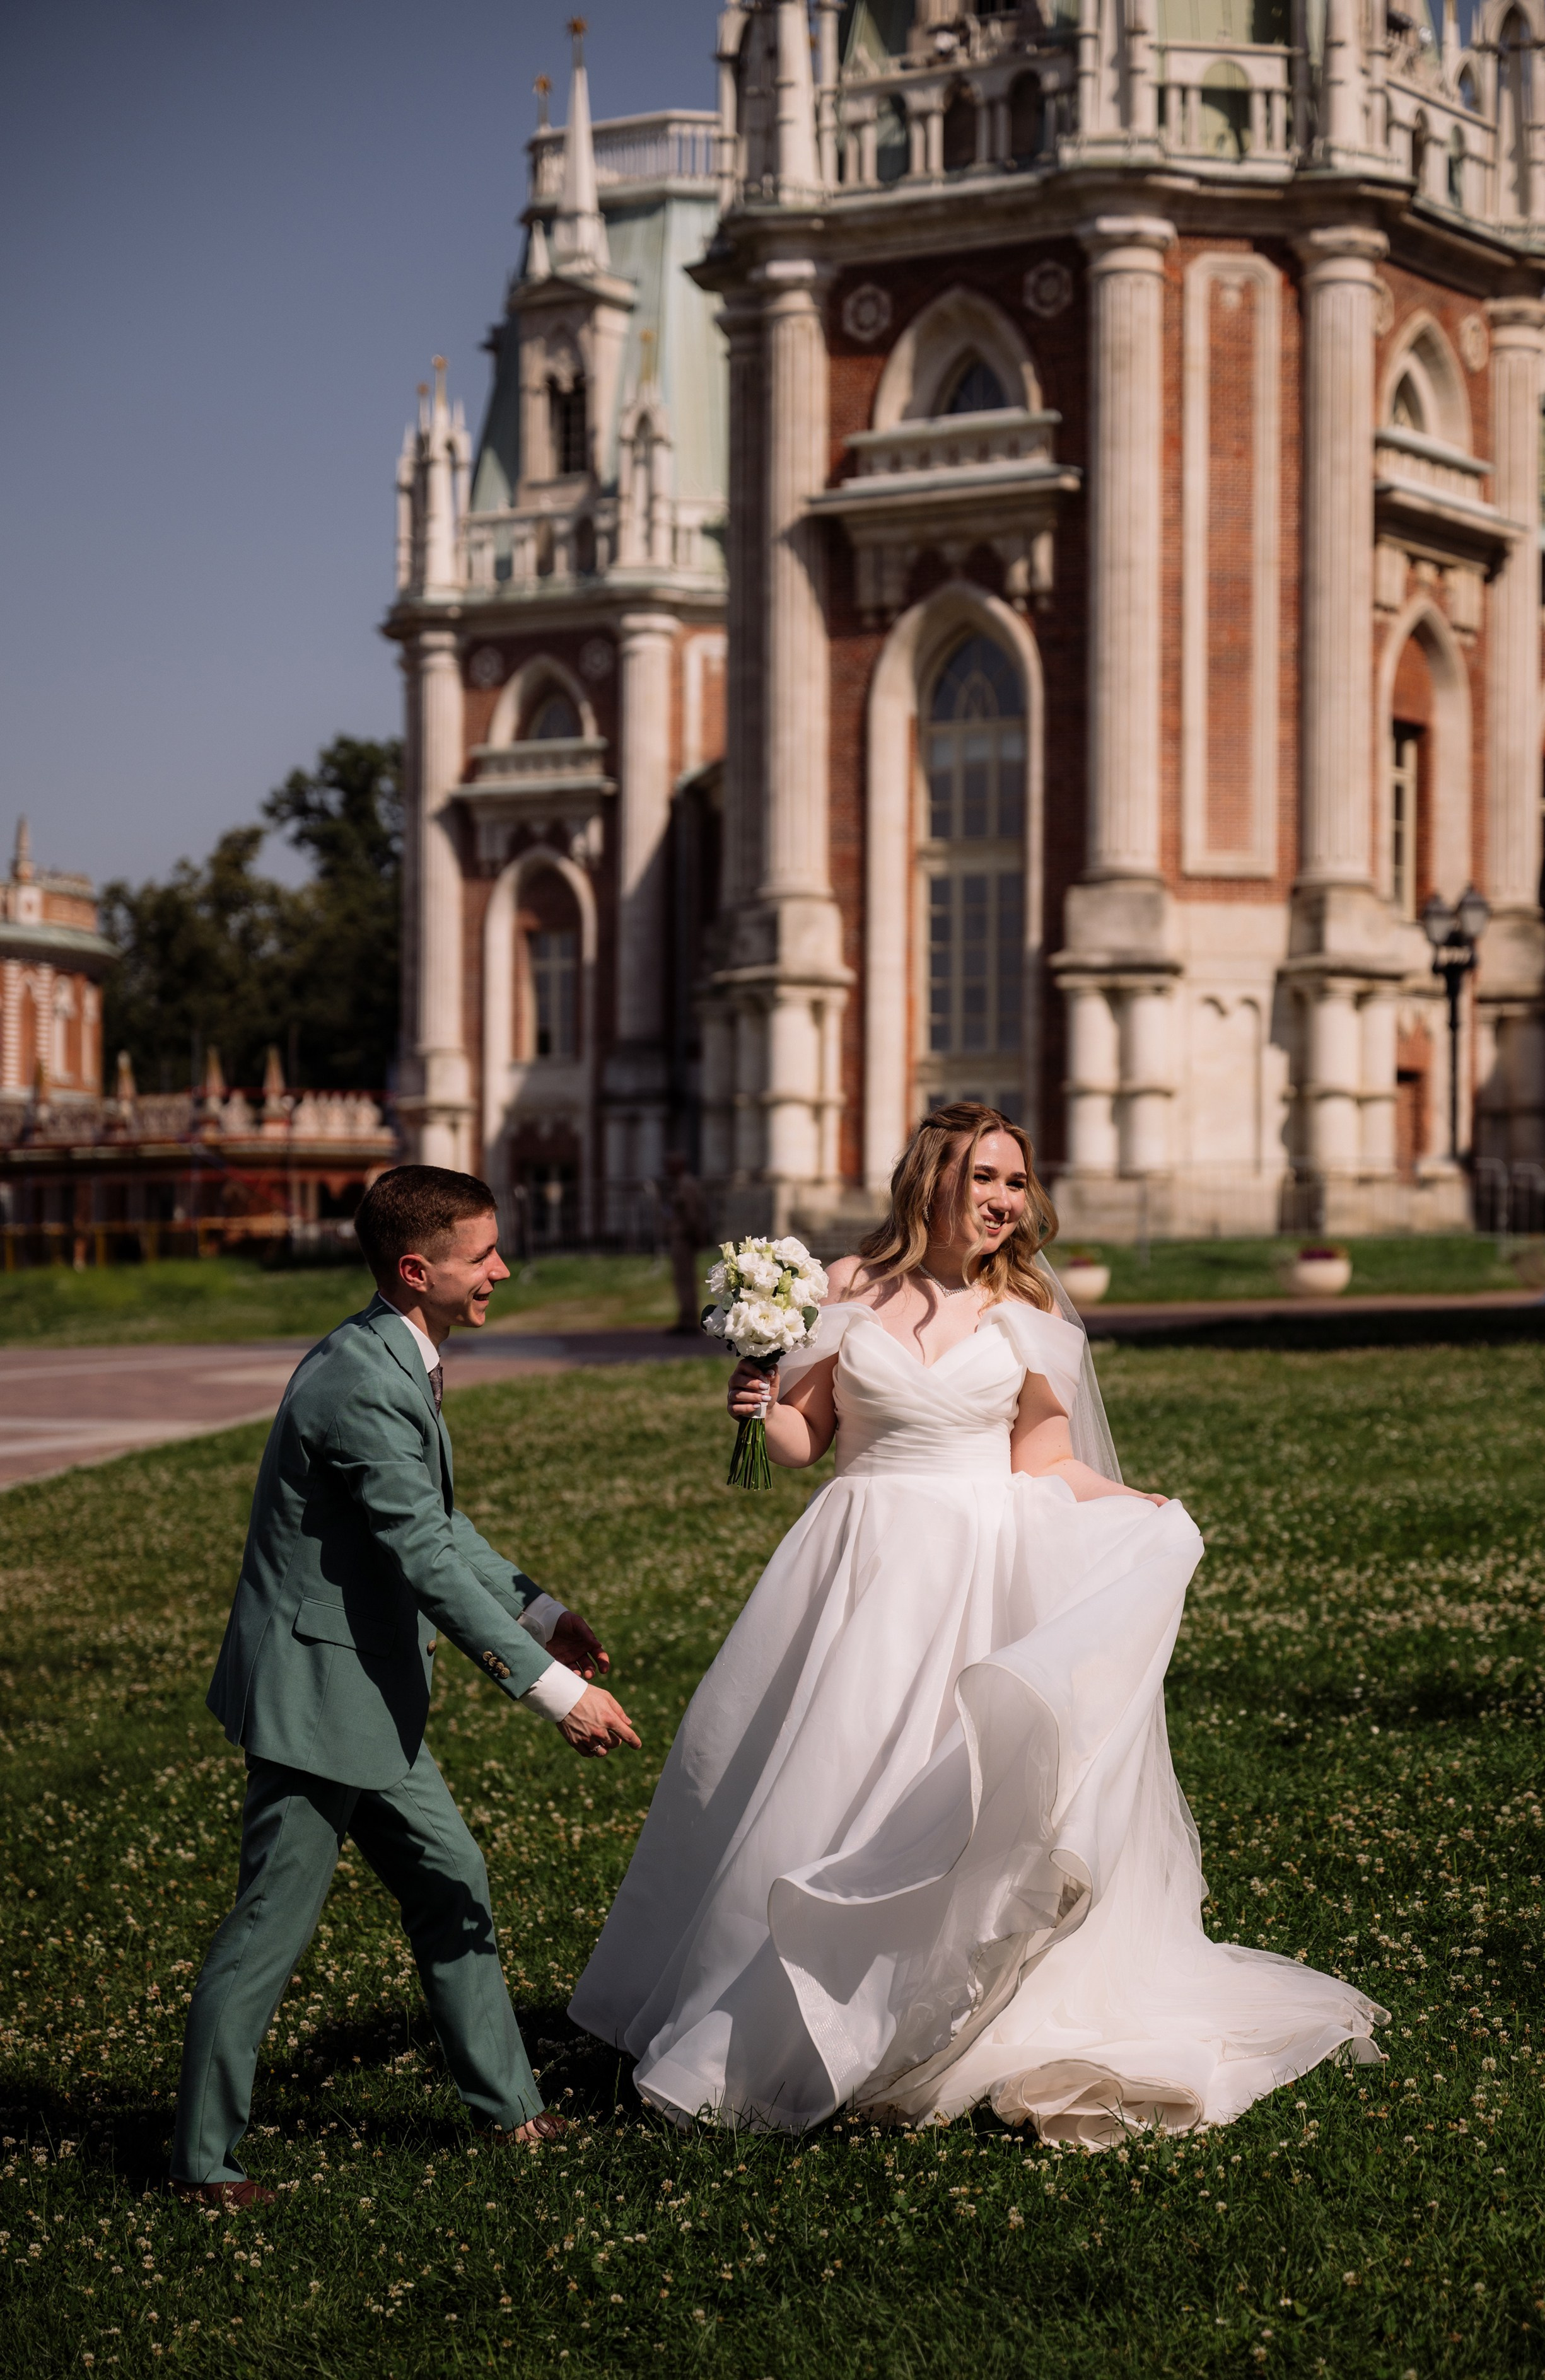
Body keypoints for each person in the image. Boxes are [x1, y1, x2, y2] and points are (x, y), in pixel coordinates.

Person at [571, 1103, 1383, 2142]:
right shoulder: (845, 1286)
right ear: (930, 1181)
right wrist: (758, 1403)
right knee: (826, 1772)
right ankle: (765, 2010)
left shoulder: (1027, 1302)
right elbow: (803, 1441)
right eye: (985, 1178)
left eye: (1015, 1181)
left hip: (974, 1571)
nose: (1004, 1200)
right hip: (858, 1564)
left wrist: (1138, 1512)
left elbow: (1042, 1457)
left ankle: (930, 2011)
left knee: (945, 1787)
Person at [170, 1164, 639, 2207]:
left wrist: (539, 1609)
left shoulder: (397, 1354)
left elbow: (435, 1525)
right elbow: (421, 1558)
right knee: (267, 1934)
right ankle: (202, 2168)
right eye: (485, 1257)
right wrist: (555, 1692)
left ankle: (511, 2114)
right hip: (314, 1700)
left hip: (370, 1694)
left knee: (449, 1879)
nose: (503, 1271)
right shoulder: (360, 1381)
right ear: (419, 1268)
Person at [663, 1152, 709, 1333]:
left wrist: (696, 1235)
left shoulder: (686, 1184)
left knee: (686, 1279)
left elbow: (692, 1213)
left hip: (684, 1238)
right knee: (681, 1279)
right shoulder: (679, 1184)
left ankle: (689, 1320)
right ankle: (685, 1317)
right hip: (681, 1236)